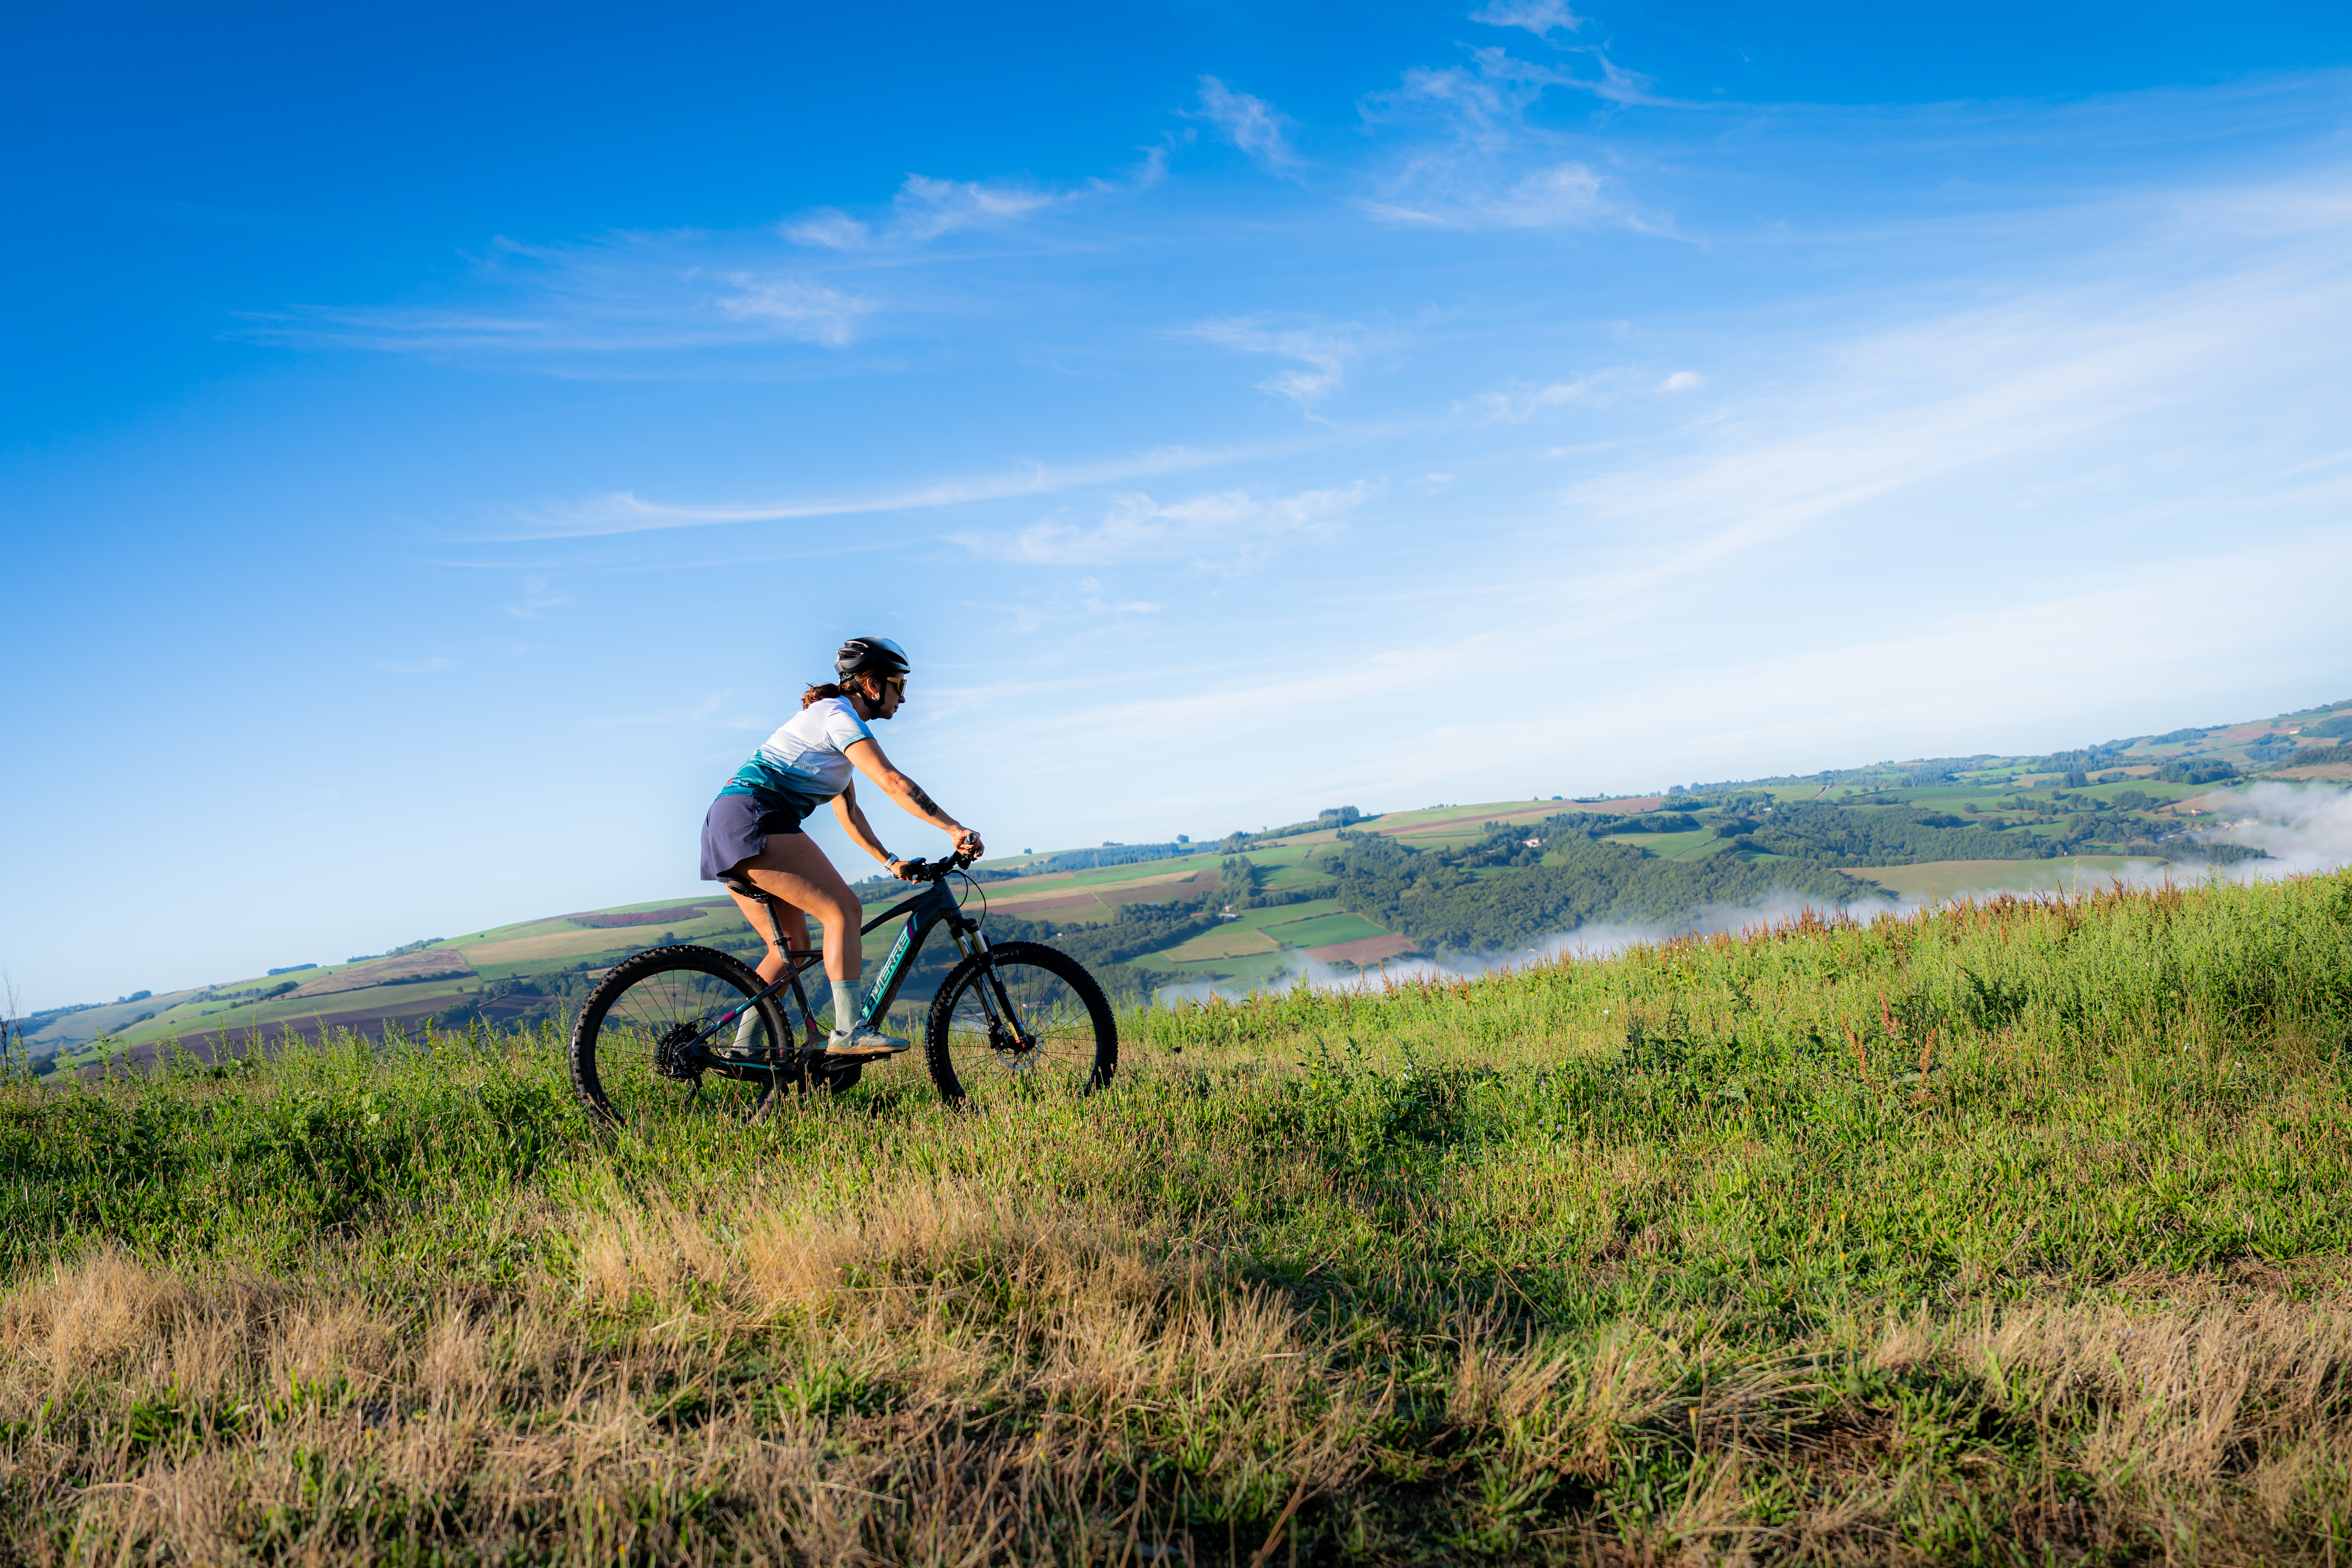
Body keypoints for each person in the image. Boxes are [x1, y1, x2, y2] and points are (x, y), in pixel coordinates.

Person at [699, 637, 983, 1057]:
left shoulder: (830, 726)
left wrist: (890, 861)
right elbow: (891, 780)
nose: (902, 698)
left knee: (792, 948)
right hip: (754, 818)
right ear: (870, 684)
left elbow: (848, 811)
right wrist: (953, 827)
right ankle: (849, 1031)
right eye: (897, 685)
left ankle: (744, 1050)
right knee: (843, 910)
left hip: (728, 822)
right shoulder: (838, 716)